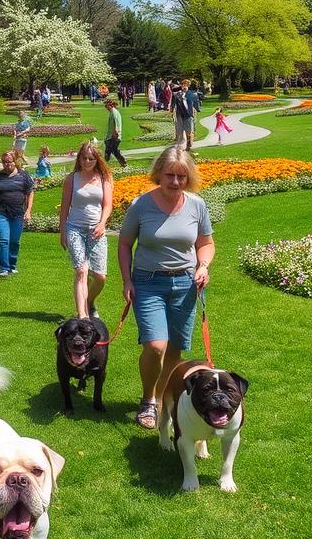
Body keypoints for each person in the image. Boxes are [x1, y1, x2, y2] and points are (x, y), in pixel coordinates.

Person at [118, 146, 215, 429]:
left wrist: (203, 266)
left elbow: (205, 244)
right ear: (158, 173)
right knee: (156, 346)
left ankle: (163, 400)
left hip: (185, 283)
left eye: (181, 177)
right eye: (170, 175)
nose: (175, 182)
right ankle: (148, 399)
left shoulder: (197, 205)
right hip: (148, 281)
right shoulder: (141, 205)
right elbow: (125, 244)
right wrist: (127, 280)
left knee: (174, 349)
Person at [59, 141, 113, 318]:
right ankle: (83, 315)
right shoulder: (72, 179)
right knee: (81, 270)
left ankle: (89, 301)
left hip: (96, 229)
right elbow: (65, 208)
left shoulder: (104, 178)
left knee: (99, 276)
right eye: (84, 158)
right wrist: (63, 232)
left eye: (91, 158)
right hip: (75, 227)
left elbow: (107, 205)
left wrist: (102, 223)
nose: (87, 161)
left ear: (97, 159)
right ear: (79, 159)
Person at [0, 149, 35, 277]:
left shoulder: (23, 175)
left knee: (14, 241)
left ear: (15, 161)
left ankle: (12, 265)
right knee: (3, 239)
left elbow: (30, 192)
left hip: (17, 213)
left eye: (9, 162)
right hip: (0, 212)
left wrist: (28, 211)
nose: (7, 165)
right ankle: (3, 268)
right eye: (4, 162)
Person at [103, 97, 128, 166]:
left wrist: (115, 132)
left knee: (109, 151)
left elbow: (116, 123)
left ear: (110, 105)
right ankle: (123, 163)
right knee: (114, 151)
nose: (105, 107)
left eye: (106, 105)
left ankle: (103, 166)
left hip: (114, 136)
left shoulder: (114, 112)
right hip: (111, 136)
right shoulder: (112, 112)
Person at [172, 80, 196, 150]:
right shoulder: (177, 94)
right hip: (179, 114)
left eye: (185, 85)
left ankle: (189, 144)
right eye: (182, 85)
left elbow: (195, 104)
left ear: (188, 85)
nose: (184, 86)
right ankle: (180, 145)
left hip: (188, 115)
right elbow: (174, 104)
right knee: (180, 130)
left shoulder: (192, 94)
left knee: (189, 130)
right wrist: (173, 111)